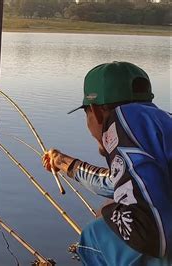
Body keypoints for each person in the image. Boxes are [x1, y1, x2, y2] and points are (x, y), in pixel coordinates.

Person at [41, 61, 171, 265]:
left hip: (162, 242)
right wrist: (63, 162)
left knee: (95, 236)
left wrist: (112, 216)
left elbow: (152, 234)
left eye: (86, 113)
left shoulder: (120, 124)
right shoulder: (160, 124)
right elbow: (118, 181)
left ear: (96, 111)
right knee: (111, 209)